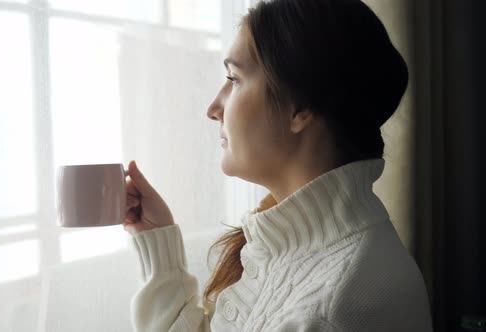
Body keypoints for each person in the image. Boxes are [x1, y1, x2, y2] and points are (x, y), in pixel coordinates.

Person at [121, 0, 433, 330]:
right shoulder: (294, 252)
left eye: (234, 79)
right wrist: (158, 242)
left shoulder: (337, 302)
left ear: (300, 107)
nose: (213, 108)